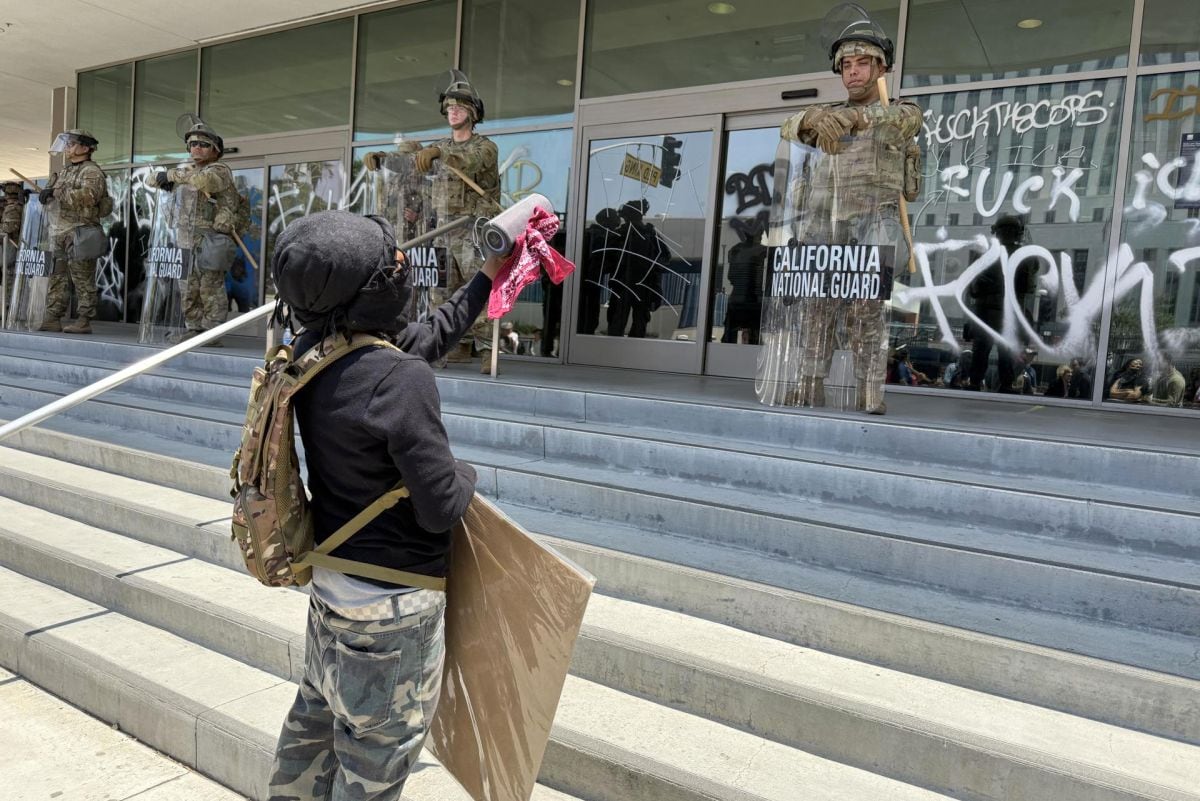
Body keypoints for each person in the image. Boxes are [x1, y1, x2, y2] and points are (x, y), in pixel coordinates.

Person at [266, 210, 502, 800]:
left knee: (308, 757)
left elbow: (423, 338)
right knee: (370, 775)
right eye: (392, 265)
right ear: (372, 294)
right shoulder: (399, 381)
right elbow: (440, 507)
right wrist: (467, 471)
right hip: (390, 619)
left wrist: (486, 277)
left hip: (332, 599)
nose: (402, 269)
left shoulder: (313, 353)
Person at [772, 7, 922, 414]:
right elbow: (789, 127)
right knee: (816, 307)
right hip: (825, 220)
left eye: (862, 63)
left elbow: (906, 119)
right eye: (847, 66)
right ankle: (809, 383)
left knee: (866, 310)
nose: (853, 72)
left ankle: (869, 389)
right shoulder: (828, 116)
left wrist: (855, 117)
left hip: (874, 218)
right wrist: (812, 116)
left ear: (881, 68)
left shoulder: (899, 109)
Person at [366, 70, 501, 369]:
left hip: (473, 228)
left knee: (479, 284)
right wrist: (382, 160)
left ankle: (488, 348)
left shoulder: (485, 147)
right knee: (443, 292)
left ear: (473, 113)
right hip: (442, 229)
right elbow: (413, 165)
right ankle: (456, 344)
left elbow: (471, 161)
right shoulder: (438, 146)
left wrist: (439, 153)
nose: (453, 112)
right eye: (449, 107)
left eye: (460, 107)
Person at [148, 120, 241, 345]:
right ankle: (194, 328)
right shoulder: (186, 173)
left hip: (210, 237)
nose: (196, 149)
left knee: (210, 288)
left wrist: (171, 176)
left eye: (202, 144)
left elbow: (204, 181)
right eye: (192, 144)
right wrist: (164, 179)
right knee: (188, 288)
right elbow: (151, 180)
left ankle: (211, 331)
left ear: (215, 150)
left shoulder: (220, 170)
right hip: (185, 237)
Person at [39, 129, 110, 334]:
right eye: (67, 144)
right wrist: (47, 195)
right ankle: (53, 316)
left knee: (82, 277)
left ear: (85, 148)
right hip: (59, 230)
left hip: (80, 231)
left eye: (71, 144)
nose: (67, 148)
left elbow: (89, 196)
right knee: (57, 276)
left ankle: (84, 319)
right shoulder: (66, 170)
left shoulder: (91, 171)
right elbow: (56, 195)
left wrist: (57, 192)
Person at [968, 215, 1037, 392]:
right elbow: (1028, 288)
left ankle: (976, 382)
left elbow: (972, 289)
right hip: (1007, 314)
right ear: (1018, 233)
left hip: (985, 312)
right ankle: (1005, 384)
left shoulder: (983, 254)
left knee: (981, 351)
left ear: (996, 233)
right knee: (1005, 353)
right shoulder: (1025, 256)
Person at [606, 199, 669, 338]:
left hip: (629, 286)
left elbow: (606, 258)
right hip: (638, 286)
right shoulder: (649, 234)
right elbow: (664, 258)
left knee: (621, 323)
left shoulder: (625, 234)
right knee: (634, 324)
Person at [720, 217, 766, 345]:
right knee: (755, 341)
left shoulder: (735, 250)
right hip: (753, 302)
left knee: (729, 339)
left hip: (736, 300)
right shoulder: (763, 251)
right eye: (761, 232)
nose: (762, 235)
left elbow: (731, 277)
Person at [1, 182, 24, 310]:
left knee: (9, 277)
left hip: (12, 247)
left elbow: (9, 228)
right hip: (14, 247)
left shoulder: (12, 208)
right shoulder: (19, 206)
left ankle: (9, 308)